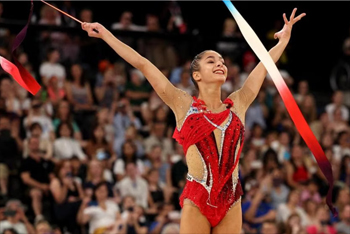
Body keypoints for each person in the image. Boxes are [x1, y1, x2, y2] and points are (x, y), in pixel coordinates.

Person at [81, 8, 305, 233]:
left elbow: (264, 67)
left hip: (231, 199)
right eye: (211, 61)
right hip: (198, 197)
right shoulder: (183, 105)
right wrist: (106, 35)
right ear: (196, 75)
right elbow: (143, 64)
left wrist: (283, 41)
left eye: (222, 61)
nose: (220, 64)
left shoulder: (239, 102)